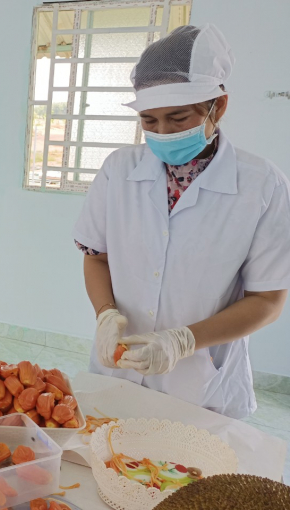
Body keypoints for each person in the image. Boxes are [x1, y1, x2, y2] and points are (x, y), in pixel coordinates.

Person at [73, 24, 290, 419]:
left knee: (192, 476)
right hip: (118, 371)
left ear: (217, 107)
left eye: (177, 118)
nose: (163, 134)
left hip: (201, 383)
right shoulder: (118, 170)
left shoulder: (263, 185)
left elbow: (268, 301)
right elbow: (96, 256)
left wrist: (183, 341)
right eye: (149, 122)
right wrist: (105, 313)